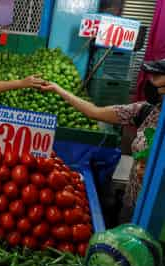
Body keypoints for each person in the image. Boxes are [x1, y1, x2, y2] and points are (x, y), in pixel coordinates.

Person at [41, 58, 165, 223]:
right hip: (132, 202)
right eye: (152, 76)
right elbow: (94, 112)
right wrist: (58, 89)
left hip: (157, 213)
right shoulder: (145, 110)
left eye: (158, 77)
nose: (151, 81)